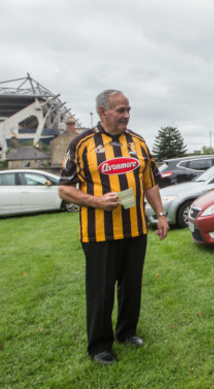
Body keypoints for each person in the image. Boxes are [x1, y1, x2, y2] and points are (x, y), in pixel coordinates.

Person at [58, 89, 169, 365]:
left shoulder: (139, 143)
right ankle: (99, 347)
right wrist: (96, 201)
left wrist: (161, 214)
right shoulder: (81, 144)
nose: (126, 116)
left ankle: (127, 332)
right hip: (99, 233)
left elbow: (150, 182)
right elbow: (64, 189)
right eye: (120, 110)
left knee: (132, 287)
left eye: (128, 110)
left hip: (135, 230)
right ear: (102, 111)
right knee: (101, 291)